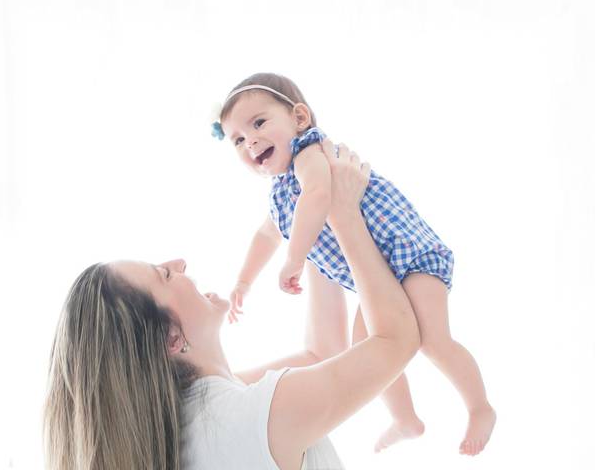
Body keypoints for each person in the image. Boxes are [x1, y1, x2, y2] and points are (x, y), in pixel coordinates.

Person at [43, 141, 421, 469]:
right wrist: (344, 214)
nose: (179, 263)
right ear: (172, 338)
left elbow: (321, 352)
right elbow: (396, 340)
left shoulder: (195, 421)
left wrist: (309, 223)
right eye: (164, 275)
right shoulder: (253, 415)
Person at [213, 72, 496, 455]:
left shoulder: (310, 154)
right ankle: (405, 419)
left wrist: (294, 259)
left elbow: (317, 197)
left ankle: (480, 407)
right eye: (239, 140)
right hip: (377, 276)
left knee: (432, 338)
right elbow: (266, 235)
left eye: (259, 123)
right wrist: (244, 281)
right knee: (366, 350)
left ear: (299, 118)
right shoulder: (280, 193)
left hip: (411, 257)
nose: (251, 143)